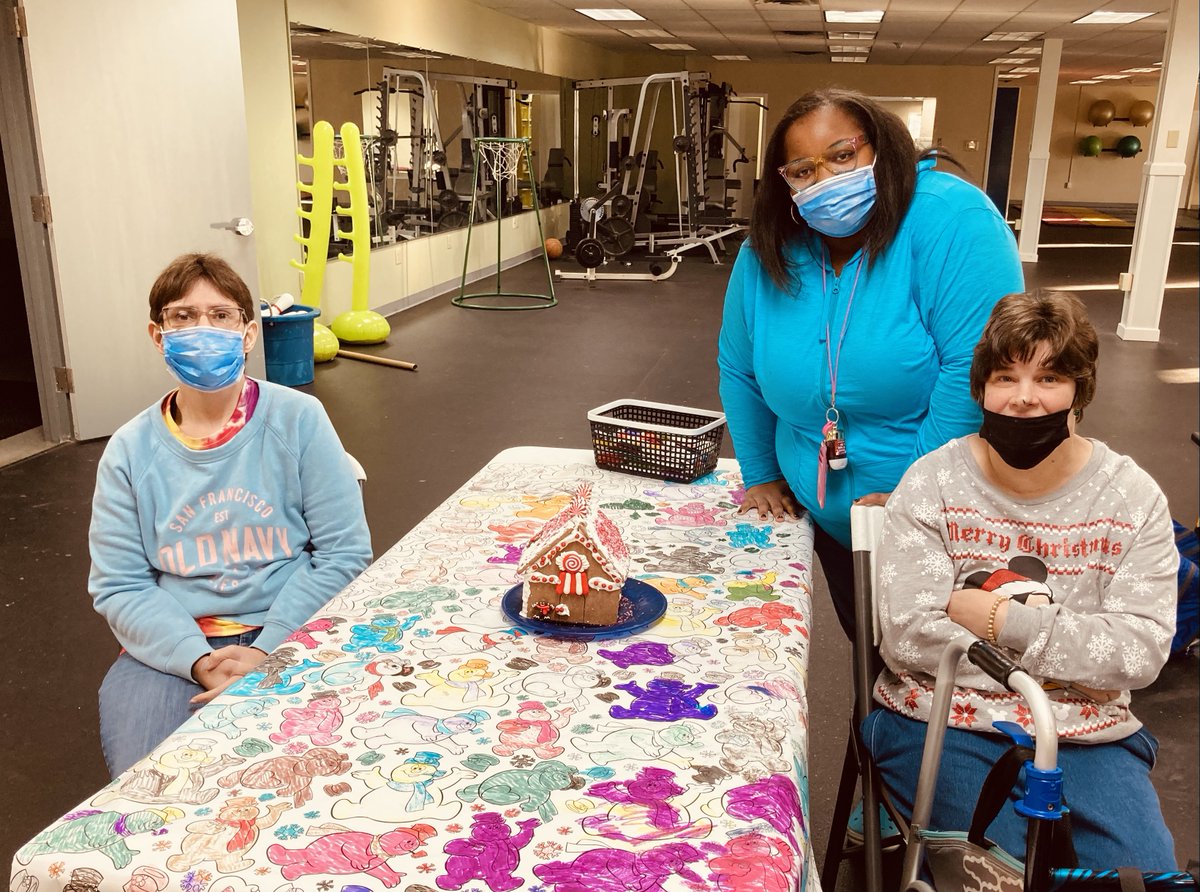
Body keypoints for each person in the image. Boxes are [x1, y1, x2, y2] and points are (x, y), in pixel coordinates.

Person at [863, 290, 1178, 869]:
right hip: (946, 717)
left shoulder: (1131, 498)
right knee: (1001, 872)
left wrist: (997, 619)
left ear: (1080, 391)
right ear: (981, 387)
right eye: (1005, 377)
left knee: (1145, 877)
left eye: (1049, 378)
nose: (1024, 398)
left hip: (1086, 730)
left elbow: (1140, 652)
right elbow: (908, 635)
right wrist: (1080, 657)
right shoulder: (932, 484)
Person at [718, 88, 1023, 638]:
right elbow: (739, 367)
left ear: (881, 148)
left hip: (941, 519)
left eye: (842, 155)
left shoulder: (952, 219)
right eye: (803, 170)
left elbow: (976, 370)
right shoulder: (770, 245)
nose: (827, 180)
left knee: (941, 673)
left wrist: (916, 497)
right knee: (871, 654)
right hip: (833, 518)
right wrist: (761, 471)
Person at [89, 253, 372, 777]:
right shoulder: (129, 451)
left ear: (248, 333)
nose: (203, 328)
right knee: (152, 790)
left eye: (221, 316)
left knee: (322, 776)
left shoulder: (298, 419)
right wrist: (197, 660)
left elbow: (343, 552)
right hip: (173, 647)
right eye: (183, 316)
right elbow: (120, 585)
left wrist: (271, 649)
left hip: (296, 627)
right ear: (158, 335)